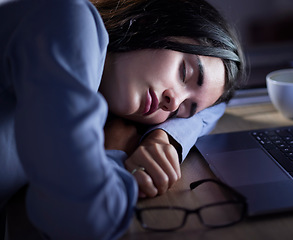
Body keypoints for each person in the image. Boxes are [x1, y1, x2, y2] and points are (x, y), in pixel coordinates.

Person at [0, 0, 245, 239]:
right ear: (151, 22)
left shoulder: (95, 85)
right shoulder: (70, 21)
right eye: (185, 72)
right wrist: (115, 156)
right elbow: (85, 219)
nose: (173, 102)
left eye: (180, 112)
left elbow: (216, 109)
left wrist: (164, 138)